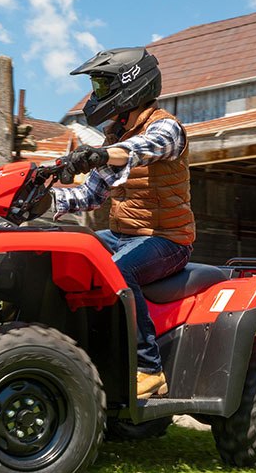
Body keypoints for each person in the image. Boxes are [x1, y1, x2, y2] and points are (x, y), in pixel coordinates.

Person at [51, 47, 195, 399]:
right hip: (123, 234)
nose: (96, 95)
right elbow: (90, 194)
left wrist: (100, 154)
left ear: (131, 85)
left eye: (102, 86)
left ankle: (149, 369)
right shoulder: (115, 135)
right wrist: (43, 196)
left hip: (168, 239)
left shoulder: (166, 128)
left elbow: (141, 149)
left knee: (118, 270)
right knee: (68, 252)